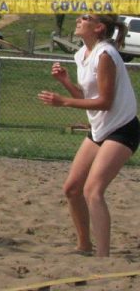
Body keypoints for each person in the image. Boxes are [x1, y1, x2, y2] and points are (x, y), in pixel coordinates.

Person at [38, 13, 139, 257]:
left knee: (93, 190)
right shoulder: (81, 54)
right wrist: (65, 82)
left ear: (99, 27)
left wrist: (63, 102)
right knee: (72, 188)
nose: (78, 20)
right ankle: (84, 246)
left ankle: (103, 258)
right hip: (101, 128)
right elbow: (87, 97)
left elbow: (105, 102)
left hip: (123, 127)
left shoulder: (105, 54)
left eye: (86, 18)